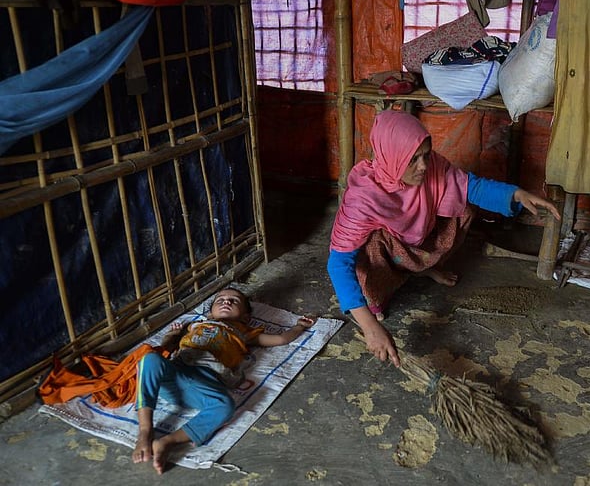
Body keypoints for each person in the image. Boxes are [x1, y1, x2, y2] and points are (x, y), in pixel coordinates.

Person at [327, 110, 560, 368]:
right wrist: (369, 327)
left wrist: (517, 194)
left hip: (416, 241)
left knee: (462, 209)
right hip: (388, 250)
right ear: (391, 157)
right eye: (412, 159)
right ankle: (391, 285)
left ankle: (422, 270)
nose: (424, 166)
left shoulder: (433, 168)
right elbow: (338, 263)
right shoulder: (364, 197)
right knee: (368, 254)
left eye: (426, 155)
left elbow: (473, 187)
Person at [131, 287, 316, 474]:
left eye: (234, 301)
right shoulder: (195, 326)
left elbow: (280, 339)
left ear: (245, 317)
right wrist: (171, 335)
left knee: (225, 405)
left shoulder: (243, 331)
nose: (226, 302)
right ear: (210, 312)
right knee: (150, 359)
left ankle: (168, 441)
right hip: (175, 375)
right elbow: (166, 347)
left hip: (205, 385)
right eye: (220, 300)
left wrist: (299, 326)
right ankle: (145, 430)